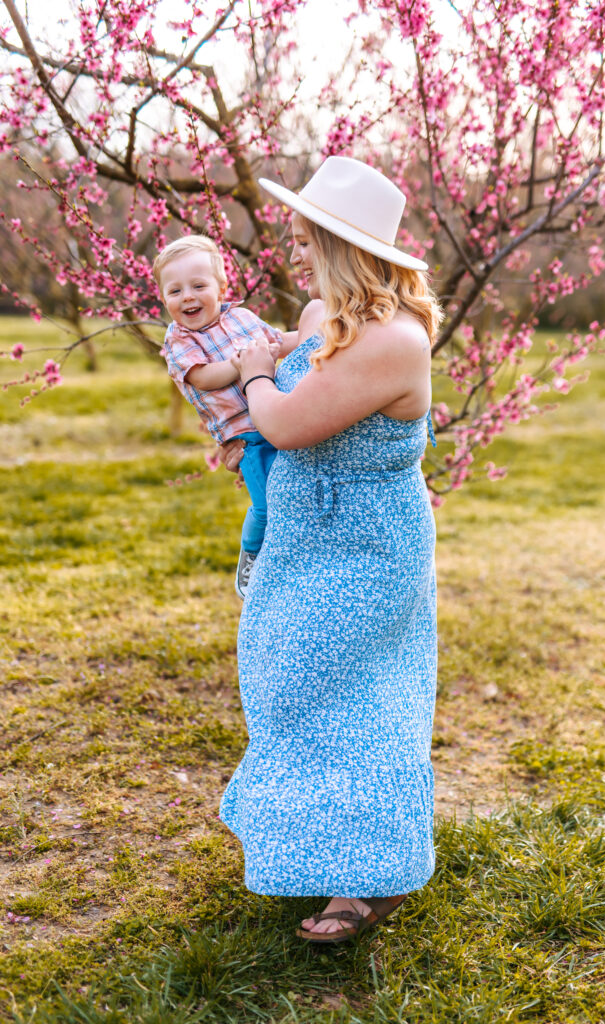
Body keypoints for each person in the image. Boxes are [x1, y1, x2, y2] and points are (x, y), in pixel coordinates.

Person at [218, 156, 441, 943]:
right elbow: (296, 374)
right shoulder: (325, 317)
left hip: (365, 548)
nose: (300, 249)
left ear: (340, 245)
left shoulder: (395, 341)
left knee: (358, 699)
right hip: (306, 534)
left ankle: (366, 877)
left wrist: (251, 379)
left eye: (310, 238)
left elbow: (284, 421)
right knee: (288, 684)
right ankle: (309, 841)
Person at [153, 235, 298, 598]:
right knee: (267, 504)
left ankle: (290, 560)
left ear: (221, 287)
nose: (187, 296)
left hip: (280, 412)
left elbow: (278, 342)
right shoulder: (179, 340)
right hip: (246, 434)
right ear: (164, 298)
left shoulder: (243, 318)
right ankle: (251, 554)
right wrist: (238, 365)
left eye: (198, 286)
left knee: (295, 497)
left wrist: (321, 334)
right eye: (175, 291)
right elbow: (201, 377)